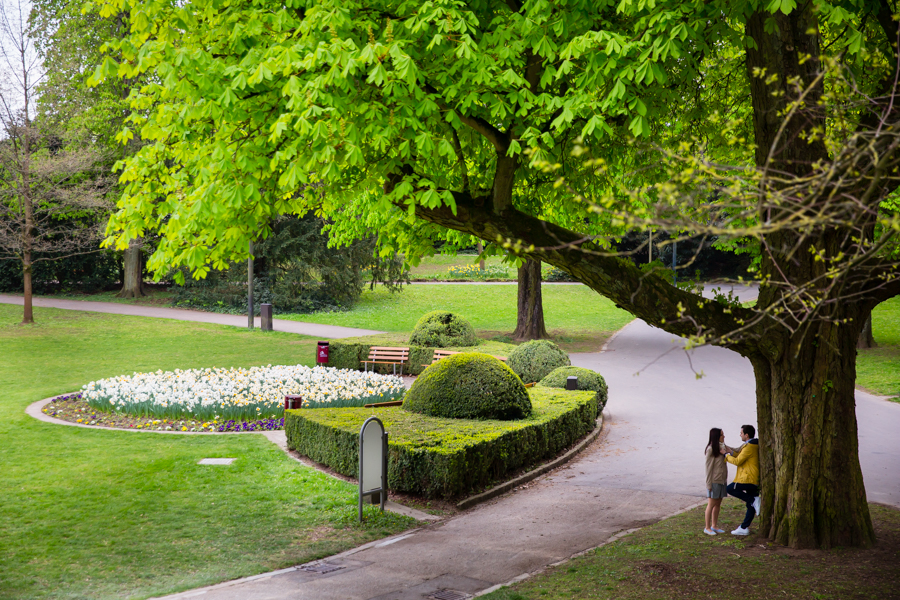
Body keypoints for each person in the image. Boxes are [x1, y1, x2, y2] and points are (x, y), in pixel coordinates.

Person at [726, 424, 760, 536]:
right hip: (753, 479)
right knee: (750, 506)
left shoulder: (750, 446)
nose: (739, 434)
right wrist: (730, 451)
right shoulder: (751, 445)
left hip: (748, 478)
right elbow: (741, 456)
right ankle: (744, 527)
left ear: (746, 435)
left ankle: (754, 500)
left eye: (741, 433)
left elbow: (738, 461)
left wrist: (726, 456)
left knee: (730, 489)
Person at [704, 427, 733, 535]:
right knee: (711, 504)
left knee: (718, 503)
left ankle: (714, 525)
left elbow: (734, 450)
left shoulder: (723, 447)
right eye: (722, 435)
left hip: (722, 480)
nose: (724, 436)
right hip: (714, 481)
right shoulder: (711, 449)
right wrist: (708, 484)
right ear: (717, 437)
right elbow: (708, 468)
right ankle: (707, 527)